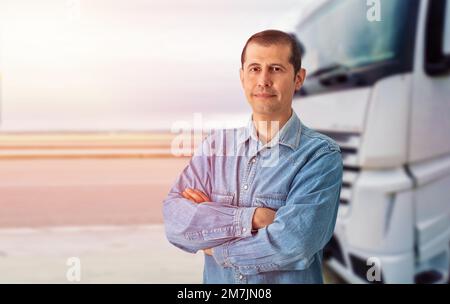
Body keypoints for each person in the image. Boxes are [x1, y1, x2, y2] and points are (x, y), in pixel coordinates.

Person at [163, 29, 343, 283]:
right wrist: (254, 218)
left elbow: (294, 244)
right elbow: (176, 223)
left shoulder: (320, 155)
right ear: (242, 77)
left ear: (298, 78)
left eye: (276, 69)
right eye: (255, 69)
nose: (263, 80)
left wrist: (215, 244)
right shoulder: (215, 147)